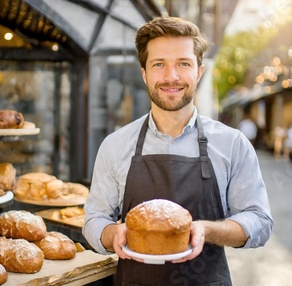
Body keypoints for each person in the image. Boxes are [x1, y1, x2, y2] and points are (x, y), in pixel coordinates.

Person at [83, 16, 273, 285]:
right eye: (159, 64)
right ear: (144, 74)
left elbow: (260, 221)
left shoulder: (232, 144)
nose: (171, 77)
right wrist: (114, 233)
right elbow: (94, 220)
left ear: (199, 71)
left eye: (183, 64)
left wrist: (206, 230)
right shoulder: (115, 145)